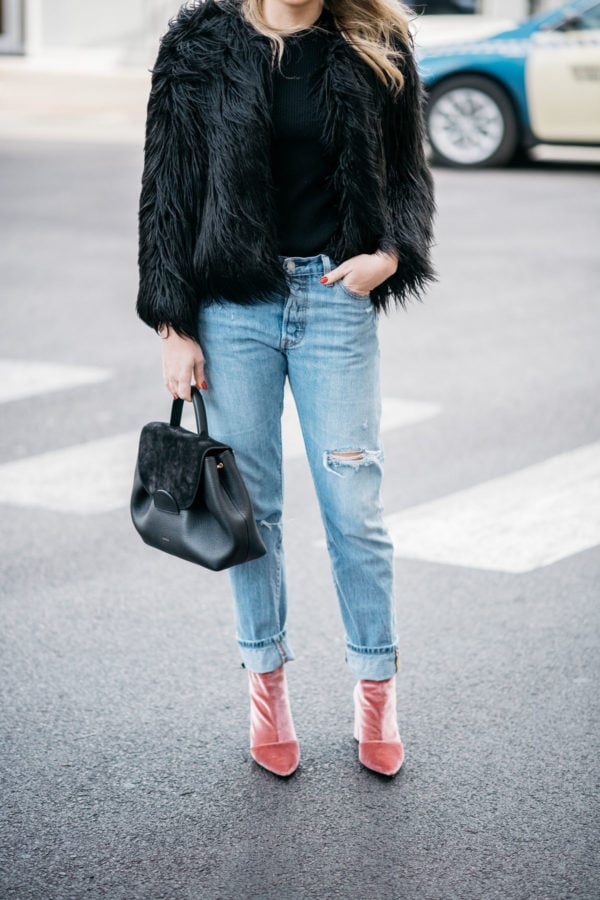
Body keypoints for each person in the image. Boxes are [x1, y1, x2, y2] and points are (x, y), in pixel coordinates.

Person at [136, 0, 436, 778]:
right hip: (232, 307)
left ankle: (376, 688)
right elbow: (165, 190)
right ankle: (266, 685)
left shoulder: (377, 41)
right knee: (251, 510)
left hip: (336, 297)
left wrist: (392, 255)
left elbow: (407, 173)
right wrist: (173, 325)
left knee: (354, 506)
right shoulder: (197, 46)